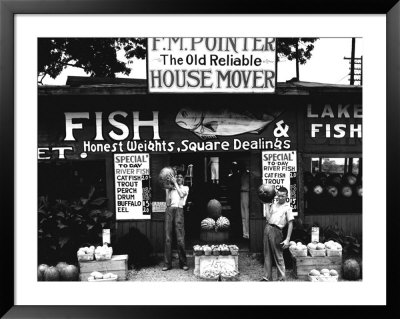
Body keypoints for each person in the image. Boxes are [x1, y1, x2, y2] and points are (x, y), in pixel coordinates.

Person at [262, 186, 294, 281]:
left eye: (283, 196)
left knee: (278, 256)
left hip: (277, 231)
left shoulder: (287, 208)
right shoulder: (274, 205)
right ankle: (267, 277)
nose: (280, 198)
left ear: (286, 196)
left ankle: (281, 279)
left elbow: (291, 223)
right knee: (267, 254)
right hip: (267, 228)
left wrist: (287, 239)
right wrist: (267, 204)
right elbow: (268, 218)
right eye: (279, 196)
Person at [163, 171, 190, 271]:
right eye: (177, 177)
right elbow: (167, 203)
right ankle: (167, 264)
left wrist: (174, 183)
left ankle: (183, 263)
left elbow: (182, 195)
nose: (178, 178)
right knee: (168, 238)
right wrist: (167, 190)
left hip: (179, 210)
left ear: (183, 179)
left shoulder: (185, 188)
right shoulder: (171, 189)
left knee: (180, 238)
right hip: (169, 210)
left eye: (180, 177)